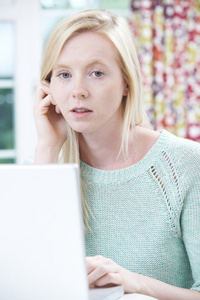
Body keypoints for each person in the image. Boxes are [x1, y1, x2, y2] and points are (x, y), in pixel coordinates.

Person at [33, 9, 200, 299]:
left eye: (96, 73)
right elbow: (32, 281)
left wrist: (134, 283)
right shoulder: (43, 167)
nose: (78, 91)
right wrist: (47, 149)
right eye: (63, 75)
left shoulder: (186, 165)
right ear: (48, 89)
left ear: (126, 82)